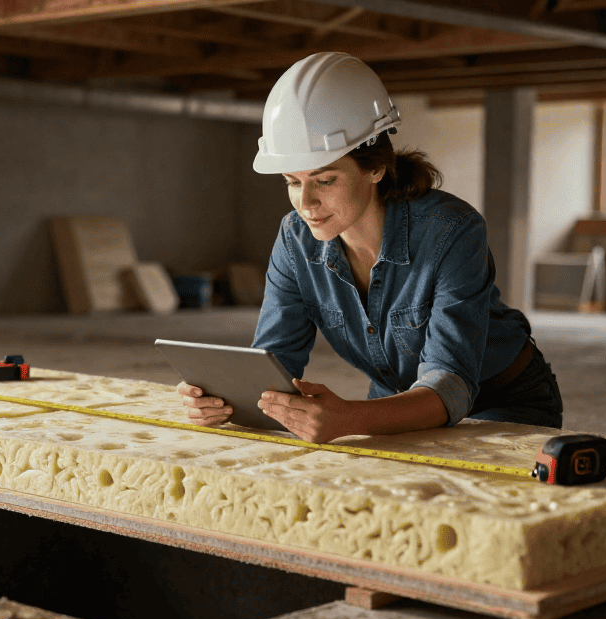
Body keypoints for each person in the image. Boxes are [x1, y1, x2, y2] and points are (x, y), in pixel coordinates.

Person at [177, 52, 563, 443]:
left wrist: (348, 419)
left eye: (325, 180)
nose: (305, 203)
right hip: (395, 397)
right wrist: (227, 400)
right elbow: (273, 363)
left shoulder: (452, 230)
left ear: (376, 168)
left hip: (501, 399)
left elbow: (451, 382)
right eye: (292, 181)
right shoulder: (295, 239)